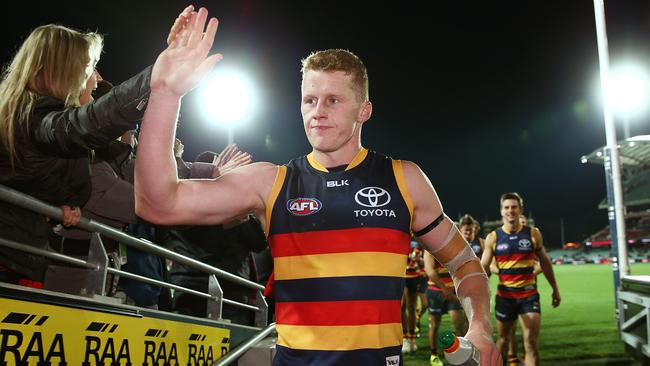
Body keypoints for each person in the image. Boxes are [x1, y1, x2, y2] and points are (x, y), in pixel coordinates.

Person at [135, 7, 500, 365]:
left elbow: (466, 264)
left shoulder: (404, 179)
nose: (318, 111)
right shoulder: (272, 182)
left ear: (364, 110)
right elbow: (158, 203)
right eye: (309, 99)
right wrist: (166, 92)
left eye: (333, 100)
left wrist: (481, 327)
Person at [480, 193, 561, 366]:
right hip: (505, 296)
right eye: (507, 207)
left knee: (531, 342)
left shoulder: (533, 234)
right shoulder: (493, 237)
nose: (511, 211)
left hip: (528, 295)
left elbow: (545, 263)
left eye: (514, 207)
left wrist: (555, 288)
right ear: (501, 211)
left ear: (520, 210)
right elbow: (483, 267)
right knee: (503, 340)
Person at [424, 249, 469, 366]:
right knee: (434, 325)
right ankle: (434, 355)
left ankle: (461, 354)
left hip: (452, 292)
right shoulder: (430, 249)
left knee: (459, 323)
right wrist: (444, 288)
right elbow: (430, 271)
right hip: (435, 292)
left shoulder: (452, 246)